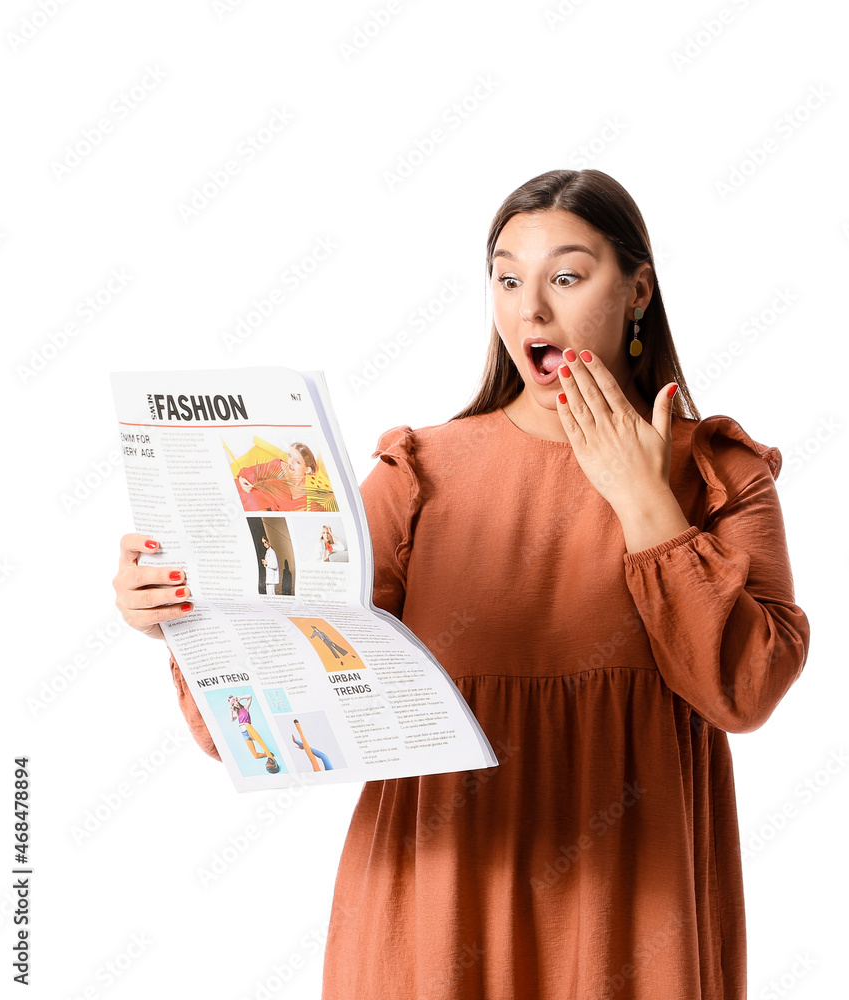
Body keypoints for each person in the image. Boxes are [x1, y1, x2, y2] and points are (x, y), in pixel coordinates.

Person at [111, 168, 811, 999]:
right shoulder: (422, 473)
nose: (530, 311)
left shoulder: (716, 471)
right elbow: (297, 702)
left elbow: (744, 690)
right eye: (507, 279)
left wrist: (642, 502)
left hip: (633, 905)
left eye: (565, 276)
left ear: (637, 291)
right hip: (434, 906)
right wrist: (183, 617)